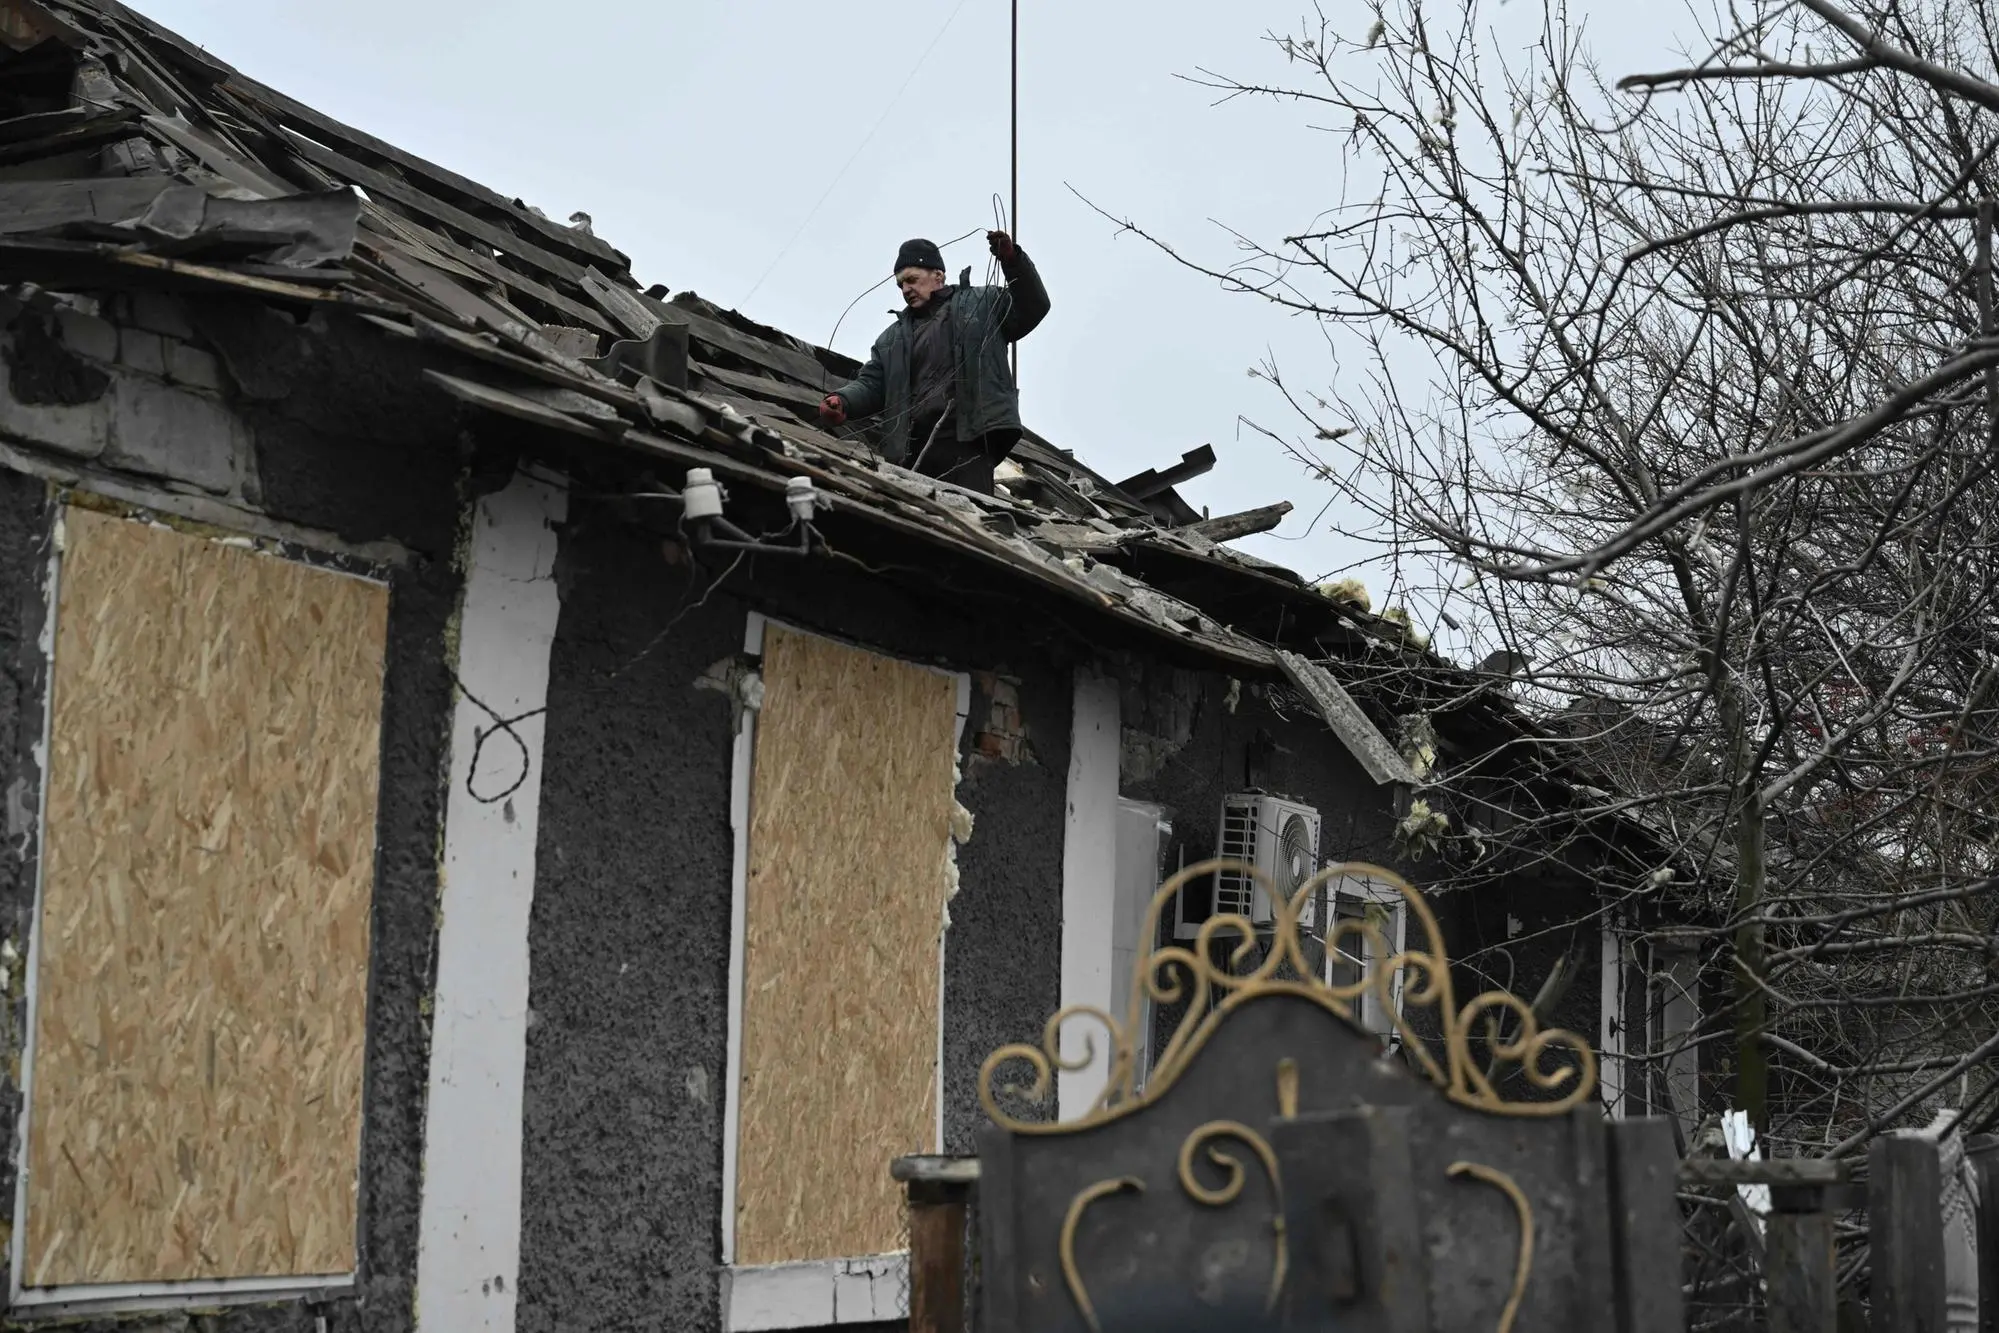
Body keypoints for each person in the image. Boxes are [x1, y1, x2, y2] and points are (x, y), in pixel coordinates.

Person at [817, 231, 1049, 494]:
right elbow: (872, 384)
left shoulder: (983, 304)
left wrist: (1012, 260)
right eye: (901, 285)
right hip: (914, 452)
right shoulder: (891, 340)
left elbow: (1033, 306)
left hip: (968, 444)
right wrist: (843, 400)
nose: (906, 290)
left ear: (938, 275)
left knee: (972, 524)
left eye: (912, 280)